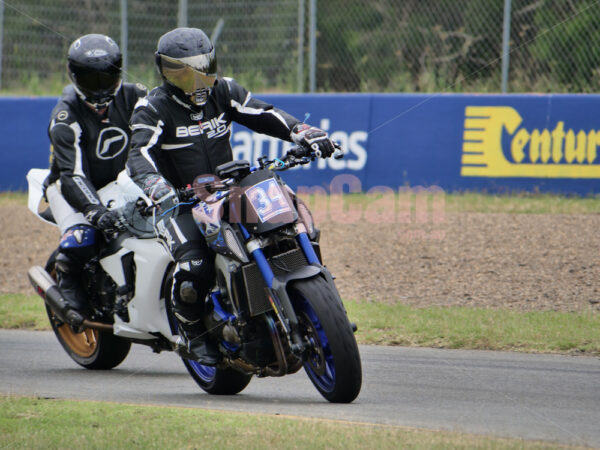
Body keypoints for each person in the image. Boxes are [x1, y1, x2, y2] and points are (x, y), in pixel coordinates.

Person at [126, 27, 336, 364]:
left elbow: (264, 113)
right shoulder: (152, 107)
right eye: (183, 73)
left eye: (202, 69)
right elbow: (138, 154)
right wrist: (157, 188)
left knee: (288, 226)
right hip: (178, 202)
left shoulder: (224, 91)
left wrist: (303, 131)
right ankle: (193, 332)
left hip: (227, 191)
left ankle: (313, 300)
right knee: (195, 264)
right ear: (165, 72)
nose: (196, 81)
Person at [45, 34, 148, 324]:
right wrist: (94, 211)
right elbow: (72, 174)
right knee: (83, 238)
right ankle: (67, 278)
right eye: (92, 79)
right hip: (69, 187)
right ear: (75, 77)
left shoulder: (136, 95)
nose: (101, 87)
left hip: (122, 181)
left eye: (108, 77)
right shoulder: (65, 115)